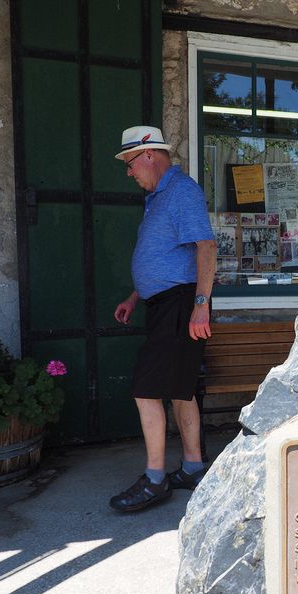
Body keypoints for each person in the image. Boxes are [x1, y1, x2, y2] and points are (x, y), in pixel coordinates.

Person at [108, 125, 217, 512]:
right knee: (180, 389)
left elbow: (206, 247)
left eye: (130, 163)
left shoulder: (182, 191)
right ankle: (192, 468)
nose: (129, 172)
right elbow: (165, 255)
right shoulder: (157, 197)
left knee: (146, 389)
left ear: (149, 155)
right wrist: (136, 295)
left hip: (182, 303)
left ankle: (155, 480)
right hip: (164, 303)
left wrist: (201, 304)